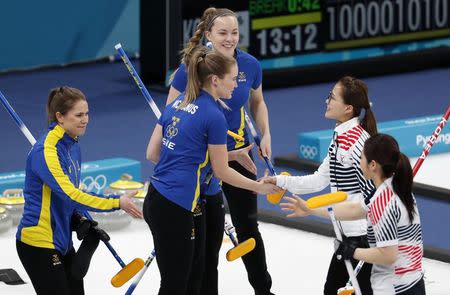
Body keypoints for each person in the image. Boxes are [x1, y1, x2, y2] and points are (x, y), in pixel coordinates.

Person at [145, 45, 280, 295]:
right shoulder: (215, 115)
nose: (236, 86)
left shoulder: (177, 104)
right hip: (177, 205)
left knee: (184, 281)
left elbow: (153, 154)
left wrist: (229, 154)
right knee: (176, 285)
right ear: (215, 80)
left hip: (156, 199)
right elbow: (222, 172)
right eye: (232, 79)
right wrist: (257, 187)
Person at [167, 7, 273, 295]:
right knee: (206, 241)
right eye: (223, 33)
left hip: (238, 153)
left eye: (235, 33)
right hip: (201, 163)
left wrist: (266, 134)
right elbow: (171, 113)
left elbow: (258, 102)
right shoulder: (192, 68)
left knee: (248, 227)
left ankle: (264, 290)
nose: (230, 39)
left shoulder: (250, 65)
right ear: (209, 35)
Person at [16, 86, 143, 295]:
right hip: (40, 242)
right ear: (60, 117)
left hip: (62, 239)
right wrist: (115, 202)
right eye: (78, 115)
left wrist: (83, 219)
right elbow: (70, 194)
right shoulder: (46, 152)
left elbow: (72, 192)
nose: (85, 120)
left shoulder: (73, 145)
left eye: (87, 114)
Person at [263, 76, 378, 294]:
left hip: (362, 238)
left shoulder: (358, 144)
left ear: (348, 108)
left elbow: (374, 195)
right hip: (345, 235)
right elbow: (318, 180)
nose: (327, 101)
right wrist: (279, 181)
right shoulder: (340, 138)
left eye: (332, 98)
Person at [280, 134, 425, 295]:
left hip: (396, 288)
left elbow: (388, 255)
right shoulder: (394, 188)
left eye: (361, 158)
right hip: (412, 281)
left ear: (373, 165)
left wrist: (351, 252)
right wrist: (310, 209)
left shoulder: (383, 202)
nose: (359, 162)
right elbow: (355, 210)